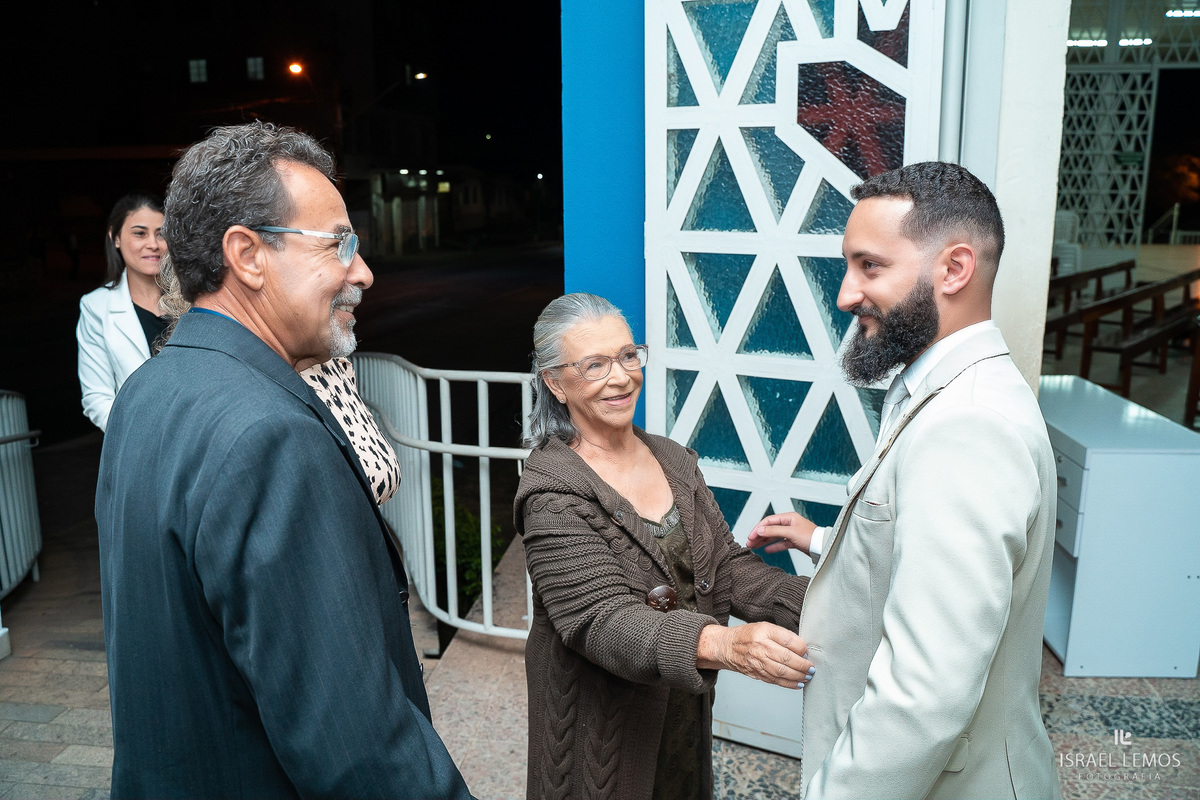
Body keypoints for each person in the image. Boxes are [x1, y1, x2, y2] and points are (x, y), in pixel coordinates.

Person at [95, 122, 471, 799]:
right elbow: (360, 753)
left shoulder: (147, 392)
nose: (362, 271)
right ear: (247, 254)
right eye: (338, 244)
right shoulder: (273, 436)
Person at [747, 162, 1060, 799]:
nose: (845, 293)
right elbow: (928, 545)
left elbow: (926, 692)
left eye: (870, 266)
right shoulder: (940, 385)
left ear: (954, 268)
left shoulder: (967, 424)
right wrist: (822, 539)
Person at [515, 293, 814, 800]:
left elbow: (725, 566)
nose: (621, 377)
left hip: (679, 711)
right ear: (554, 383)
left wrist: (826, 602)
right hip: (599, 738)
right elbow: (602, 621)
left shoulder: (673, 460)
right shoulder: (551, 492)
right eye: (594, 365)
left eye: (629, 355)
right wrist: (724, 644)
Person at [159, 259, 402, 506]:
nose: (364, 274)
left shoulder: (333, 366)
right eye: (335, 247)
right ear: (249, 263)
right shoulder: (219, 388)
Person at [76, 191, 168, 431]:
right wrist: (140, 437)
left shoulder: (195, 297)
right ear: (114, 237)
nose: (153, 244)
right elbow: (97, 399)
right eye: (139, 233)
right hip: (140, 442)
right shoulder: (96, 307)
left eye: (161, 234)